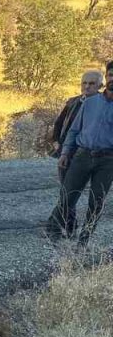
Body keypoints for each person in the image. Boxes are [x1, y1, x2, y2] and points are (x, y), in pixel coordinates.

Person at [49, 70, 113, 243]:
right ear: (106, 77)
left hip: (107, 160)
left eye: (92, 83)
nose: (87, 86)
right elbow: (71, 129)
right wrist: (63, 151)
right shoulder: (87, 102)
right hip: (81, 155)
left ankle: (84, 239)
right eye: (111, 75)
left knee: (97, 201)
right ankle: (54, 232)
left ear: (99, 84)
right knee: (68, 195)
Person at [50, 70, 103, 159]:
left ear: (100, 86)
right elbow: (59, 123)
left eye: (91, 83)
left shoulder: (105, 104)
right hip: (67, 150)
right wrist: (56, 142)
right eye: (84, 83)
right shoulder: (72, 102)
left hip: (91, 153)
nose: (87, 86)